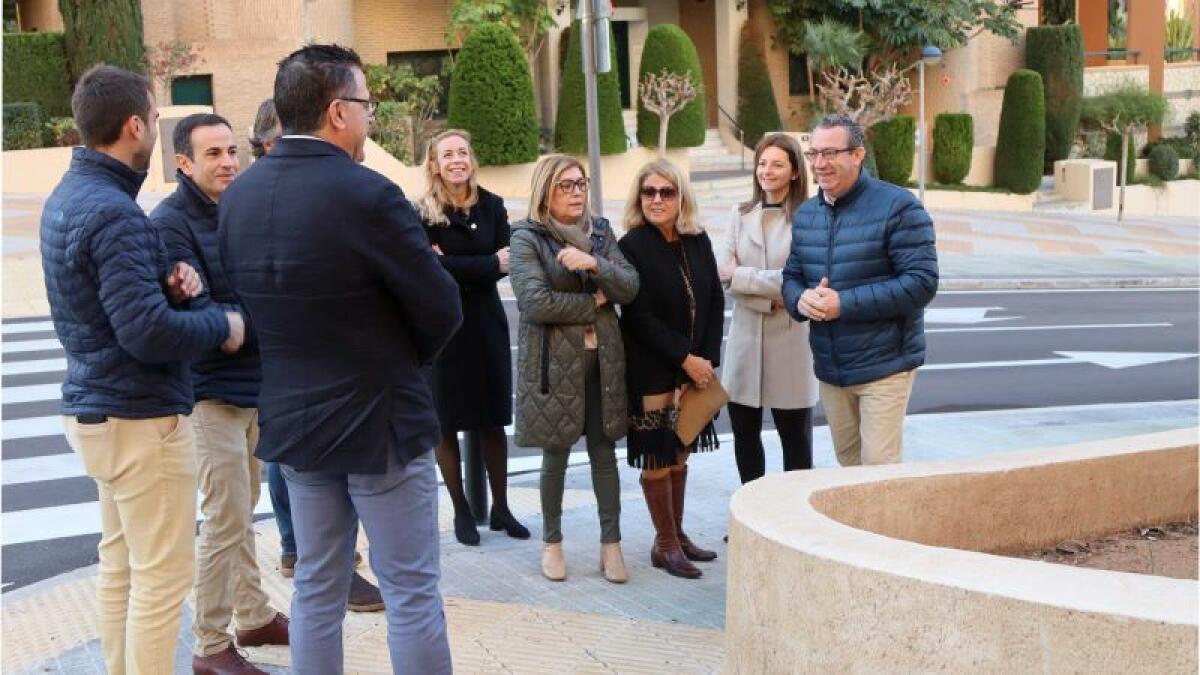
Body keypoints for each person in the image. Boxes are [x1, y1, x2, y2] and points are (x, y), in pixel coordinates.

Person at [219, 44, 460, 674]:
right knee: (410, 592)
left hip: (295, 421)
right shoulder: (369, 194)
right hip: (380, 418)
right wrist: (407, 357)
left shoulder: (239, 197)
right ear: (336, 111)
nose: (369, 118)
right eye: (365, 105)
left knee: (317, 590)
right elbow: (442, 310)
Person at [40, 64, 244, 674]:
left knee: (123, 568)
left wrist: (170, 286)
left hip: (101, 411)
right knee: (160, 582)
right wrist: (222, 325)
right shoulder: (115, 212)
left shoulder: (72, 197)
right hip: (140, 418)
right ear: (134, 125)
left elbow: (112, 303)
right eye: (154, 120)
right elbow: (147, 333)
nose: (155, 129)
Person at [151, 113, 287, 674]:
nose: (229, 162)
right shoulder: (169, 223)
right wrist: (250, 321)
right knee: (225, 517)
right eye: (214, 154)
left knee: (243, 511)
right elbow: (201, 319)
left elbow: (269, 284)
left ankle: (252, 615)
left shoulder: (247, 205)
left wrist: (244, 320)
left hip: (256, 384)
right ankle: (210, 646)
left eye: (233, 151)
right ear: (183, 162)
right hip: (208, 395)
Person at [247, 98, 384, 611]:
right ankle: (307, 553)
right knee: (294, 465)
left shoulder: (275, 190)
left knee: (291, 460)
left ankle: (303, 552)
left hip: (292, 362)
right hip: (288, 363)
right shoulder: (266, 195)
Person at [509, 155, 639, 583]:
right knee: (556, 455)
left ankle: (611, 545)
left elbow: (630, 285)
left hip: (604, 359)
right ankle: (552, 542)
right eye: (566, 185)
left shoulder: (599, 233)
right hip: (553, 364)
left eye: (580, 183)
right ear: (546, 190)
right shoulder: (528, 237)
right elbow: (535, 302)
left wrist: (595, 265)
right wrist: (595, 301)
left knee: (605, 455)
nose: (577, 191)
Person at [781, 114, 939, 467]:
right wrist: (800, 299)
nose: (820, 163)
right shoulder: (807, 215)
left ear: (857, 155)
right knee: (849, 469)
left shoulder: (899, 206)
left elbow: (922, 282)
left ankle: (888, 526)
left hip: (885, 366)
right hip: (830, 368)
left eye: (831, 153)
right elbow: (791, 276)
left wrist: (844, 304)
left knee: (878, 471)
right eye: (814, 153)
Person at [417, 129, 528, 546]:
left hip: (485, 322)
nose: (457, 160)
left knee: (492, 419)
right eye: (448, 154)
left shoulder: (494, 205)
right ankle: (462, 511)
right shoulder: (422, 213)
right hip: (444, 328)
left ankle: (501, 509)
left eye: (463, 151)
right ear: (435, 164)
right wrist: (482, 264)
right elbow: (429, 271)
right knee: (445, 423)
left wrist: (457, 265)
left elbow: (508, 262)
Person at [618, 159, 723, 580]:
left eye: (667, 192)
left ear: (681, 197)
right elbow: (639, 316)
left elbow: (714, 300)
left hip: (694, 366)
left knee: (680, 448)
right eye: (649, 193)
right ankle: (664, 546)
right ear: (639, 198)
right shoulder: (632, 245)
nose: (657, 200)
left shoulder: (697, 240)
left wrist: (706, 359)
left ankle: (676, 536)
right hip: (652, 366)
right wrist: (685, 358)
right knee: (657, 454)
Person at [717, 133, 819, 484]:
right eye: (762, 163)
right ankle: (752, 519)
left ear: (794, 171)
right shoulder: (739, 214)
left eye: (777, 164)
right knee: (745, 438)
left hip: (791, 346)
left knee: (796, 443)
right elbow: (723, 276)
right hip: (744, 344)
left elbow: (800, 279)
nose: (767, 171)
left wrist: (745, 278)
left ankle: (793, 523)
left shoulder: (810, 217)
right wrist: (773, 295)